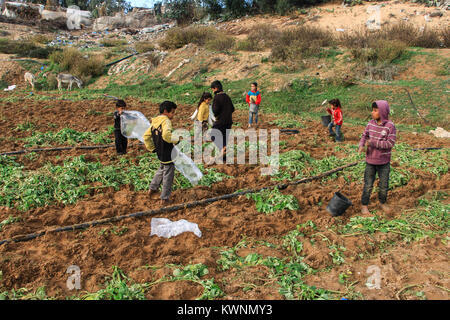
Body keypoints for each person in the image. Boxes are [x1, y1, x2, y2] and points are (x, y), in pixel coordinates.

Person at [358, 100, 397, 215]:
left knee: (384, 185)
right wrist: (361, 145)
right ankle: (364, 205)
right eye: (372, 110)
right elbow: (364, 136)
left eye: (375, 111)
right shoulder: (370, 124)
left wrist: (373, 143)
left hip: (384, 162)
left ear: (383, 112)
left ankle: (382, 202)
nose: (372, 112)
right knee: (368, 184)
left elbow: (390, 143)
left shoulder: (390, 126)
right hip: (370, 161)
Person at [143, 101, 180, 205]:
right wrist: (176, 139)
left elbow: (146, 136)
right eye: (172, 112)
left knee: (162, 169)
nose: (173, 115)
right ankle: (164, 198)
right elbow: (166, 136)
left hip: (159, 151)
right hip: (168, 151)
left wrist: (152, 148)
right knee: (168, 174)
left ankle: (152, 189)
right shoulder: (166, 121)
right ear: (165, 112)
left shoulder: (155, 122)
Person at [210, 80, 234, 161]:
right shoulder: (227, 96)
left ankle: (224, 149)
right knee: (224, 139)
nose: (213, 91)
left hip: (221, 122)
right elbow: (232, 109)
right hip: (229, 122)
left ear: (216, 88)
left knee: (213, 135)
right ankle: (224, 159)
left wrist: (217, 114)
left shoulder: (217, 97)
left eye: (213, 89)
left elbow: (215, 110)